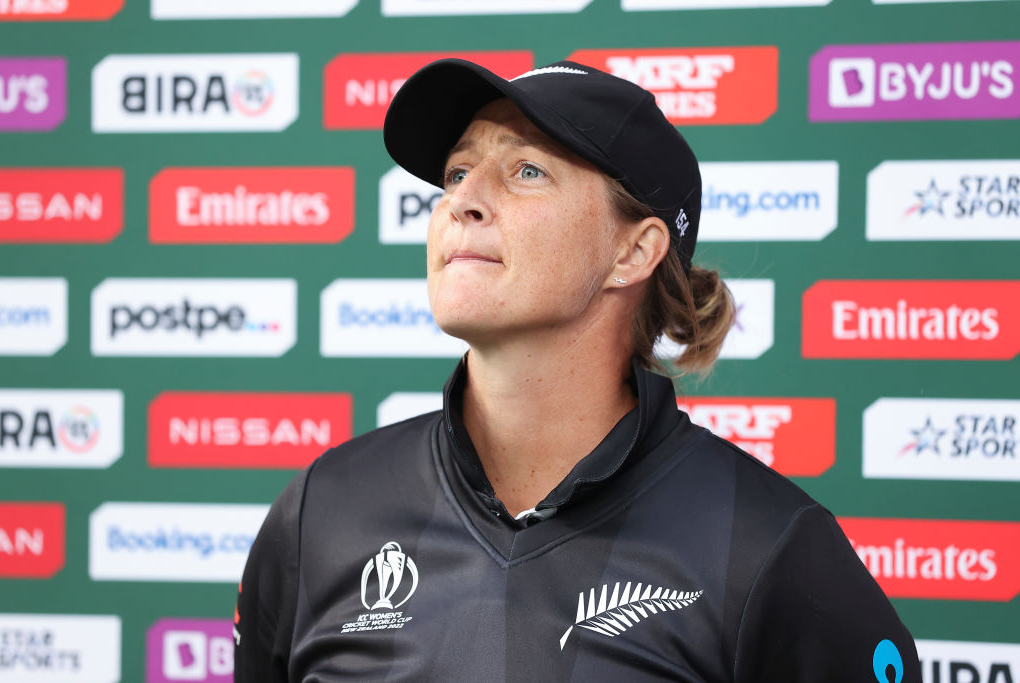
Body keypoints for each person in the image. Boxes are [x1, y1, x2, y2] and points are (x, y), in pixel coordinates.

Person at [233, 59, 920, 682]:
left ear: (634, 251)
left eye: (527, 171)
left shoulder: (770, 548)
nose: (462, 201)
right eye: (457, 173)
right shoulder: (321, 511)